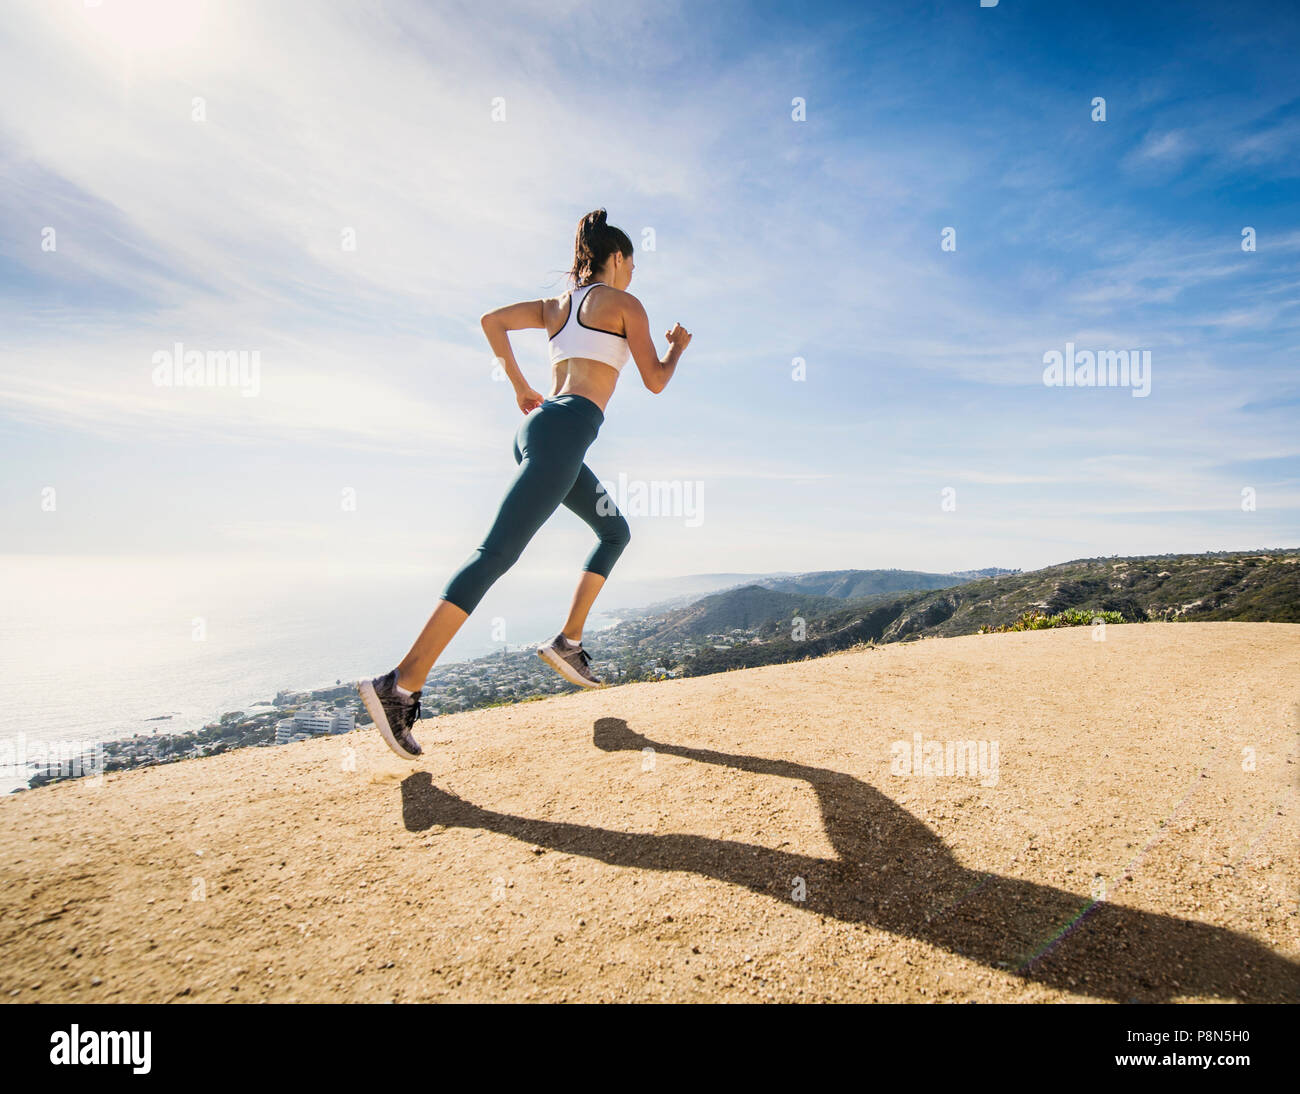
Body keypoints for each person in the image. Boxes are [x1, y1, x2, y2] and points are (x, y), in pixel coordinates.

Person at [360, 209, 692, 760]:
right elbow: (655, 380)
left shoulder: (556, 308)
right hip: (565, 432)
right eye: (632, 261)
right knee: (494, 554)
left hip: (541, 430)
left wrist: (519, 385)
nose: (633, 272)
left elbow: (491, 320)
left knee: (614, 532)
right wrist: (677, 347)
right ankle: (399, 685)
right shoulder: (625, 305)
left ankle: (569, 642)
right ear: (616, 258)